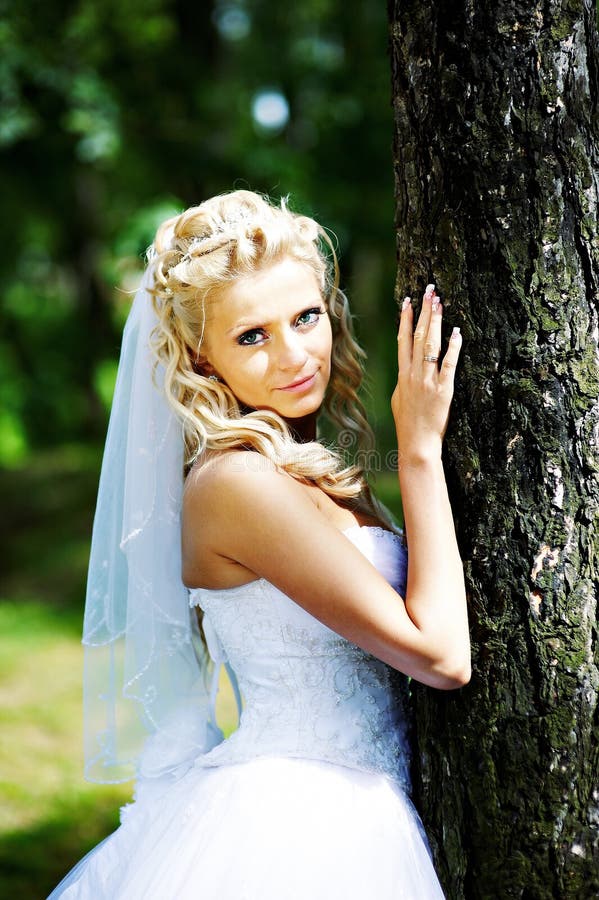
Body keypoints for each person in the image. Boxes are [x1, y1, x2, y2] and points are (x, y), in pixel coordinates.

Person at [48, 190, 470, 899]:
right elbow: (440, 658)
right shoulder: (235, 484)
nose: (292, 355)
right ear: (201, 359)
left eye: (305, 318)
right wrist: (420, 453)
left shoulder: (303, 466)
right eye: (251, 336)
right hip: (304, 823)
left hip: (361, 804)